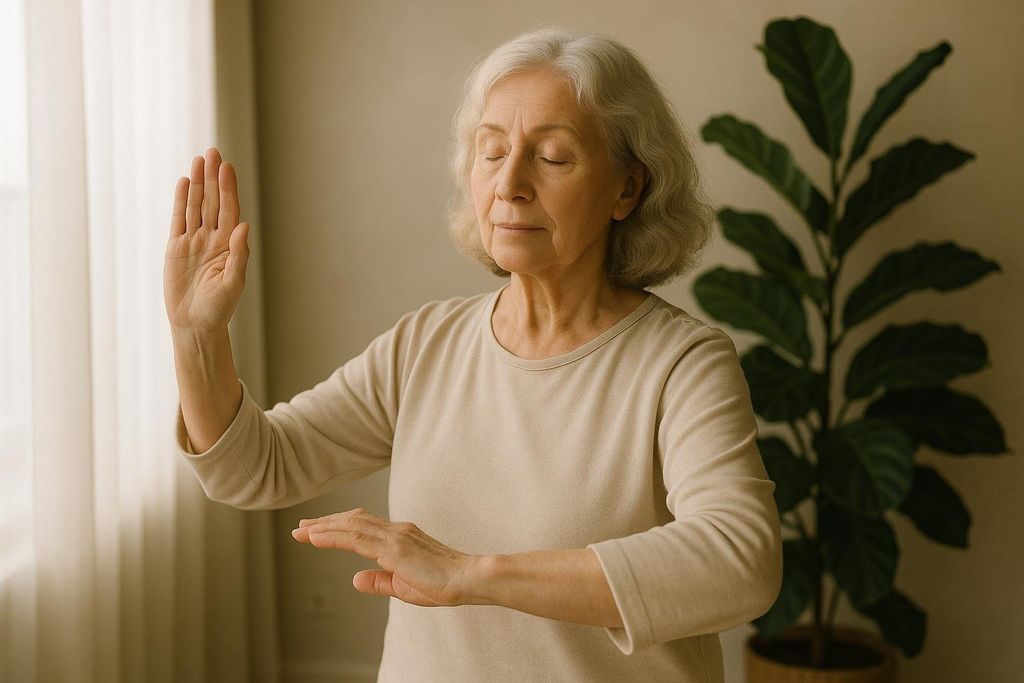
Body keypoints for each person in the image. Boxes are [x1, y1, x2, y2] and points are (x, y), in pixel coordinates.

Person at [164, 25, 782, 683]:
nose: (510, 183)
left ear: (627, 189)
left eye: (552, 156)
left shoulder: (682, 363)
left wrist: (471, 574)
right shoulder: (425, 344)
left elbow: (739, 560)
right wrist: (197, 335)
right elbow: (255, 466)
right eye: (492, 152)